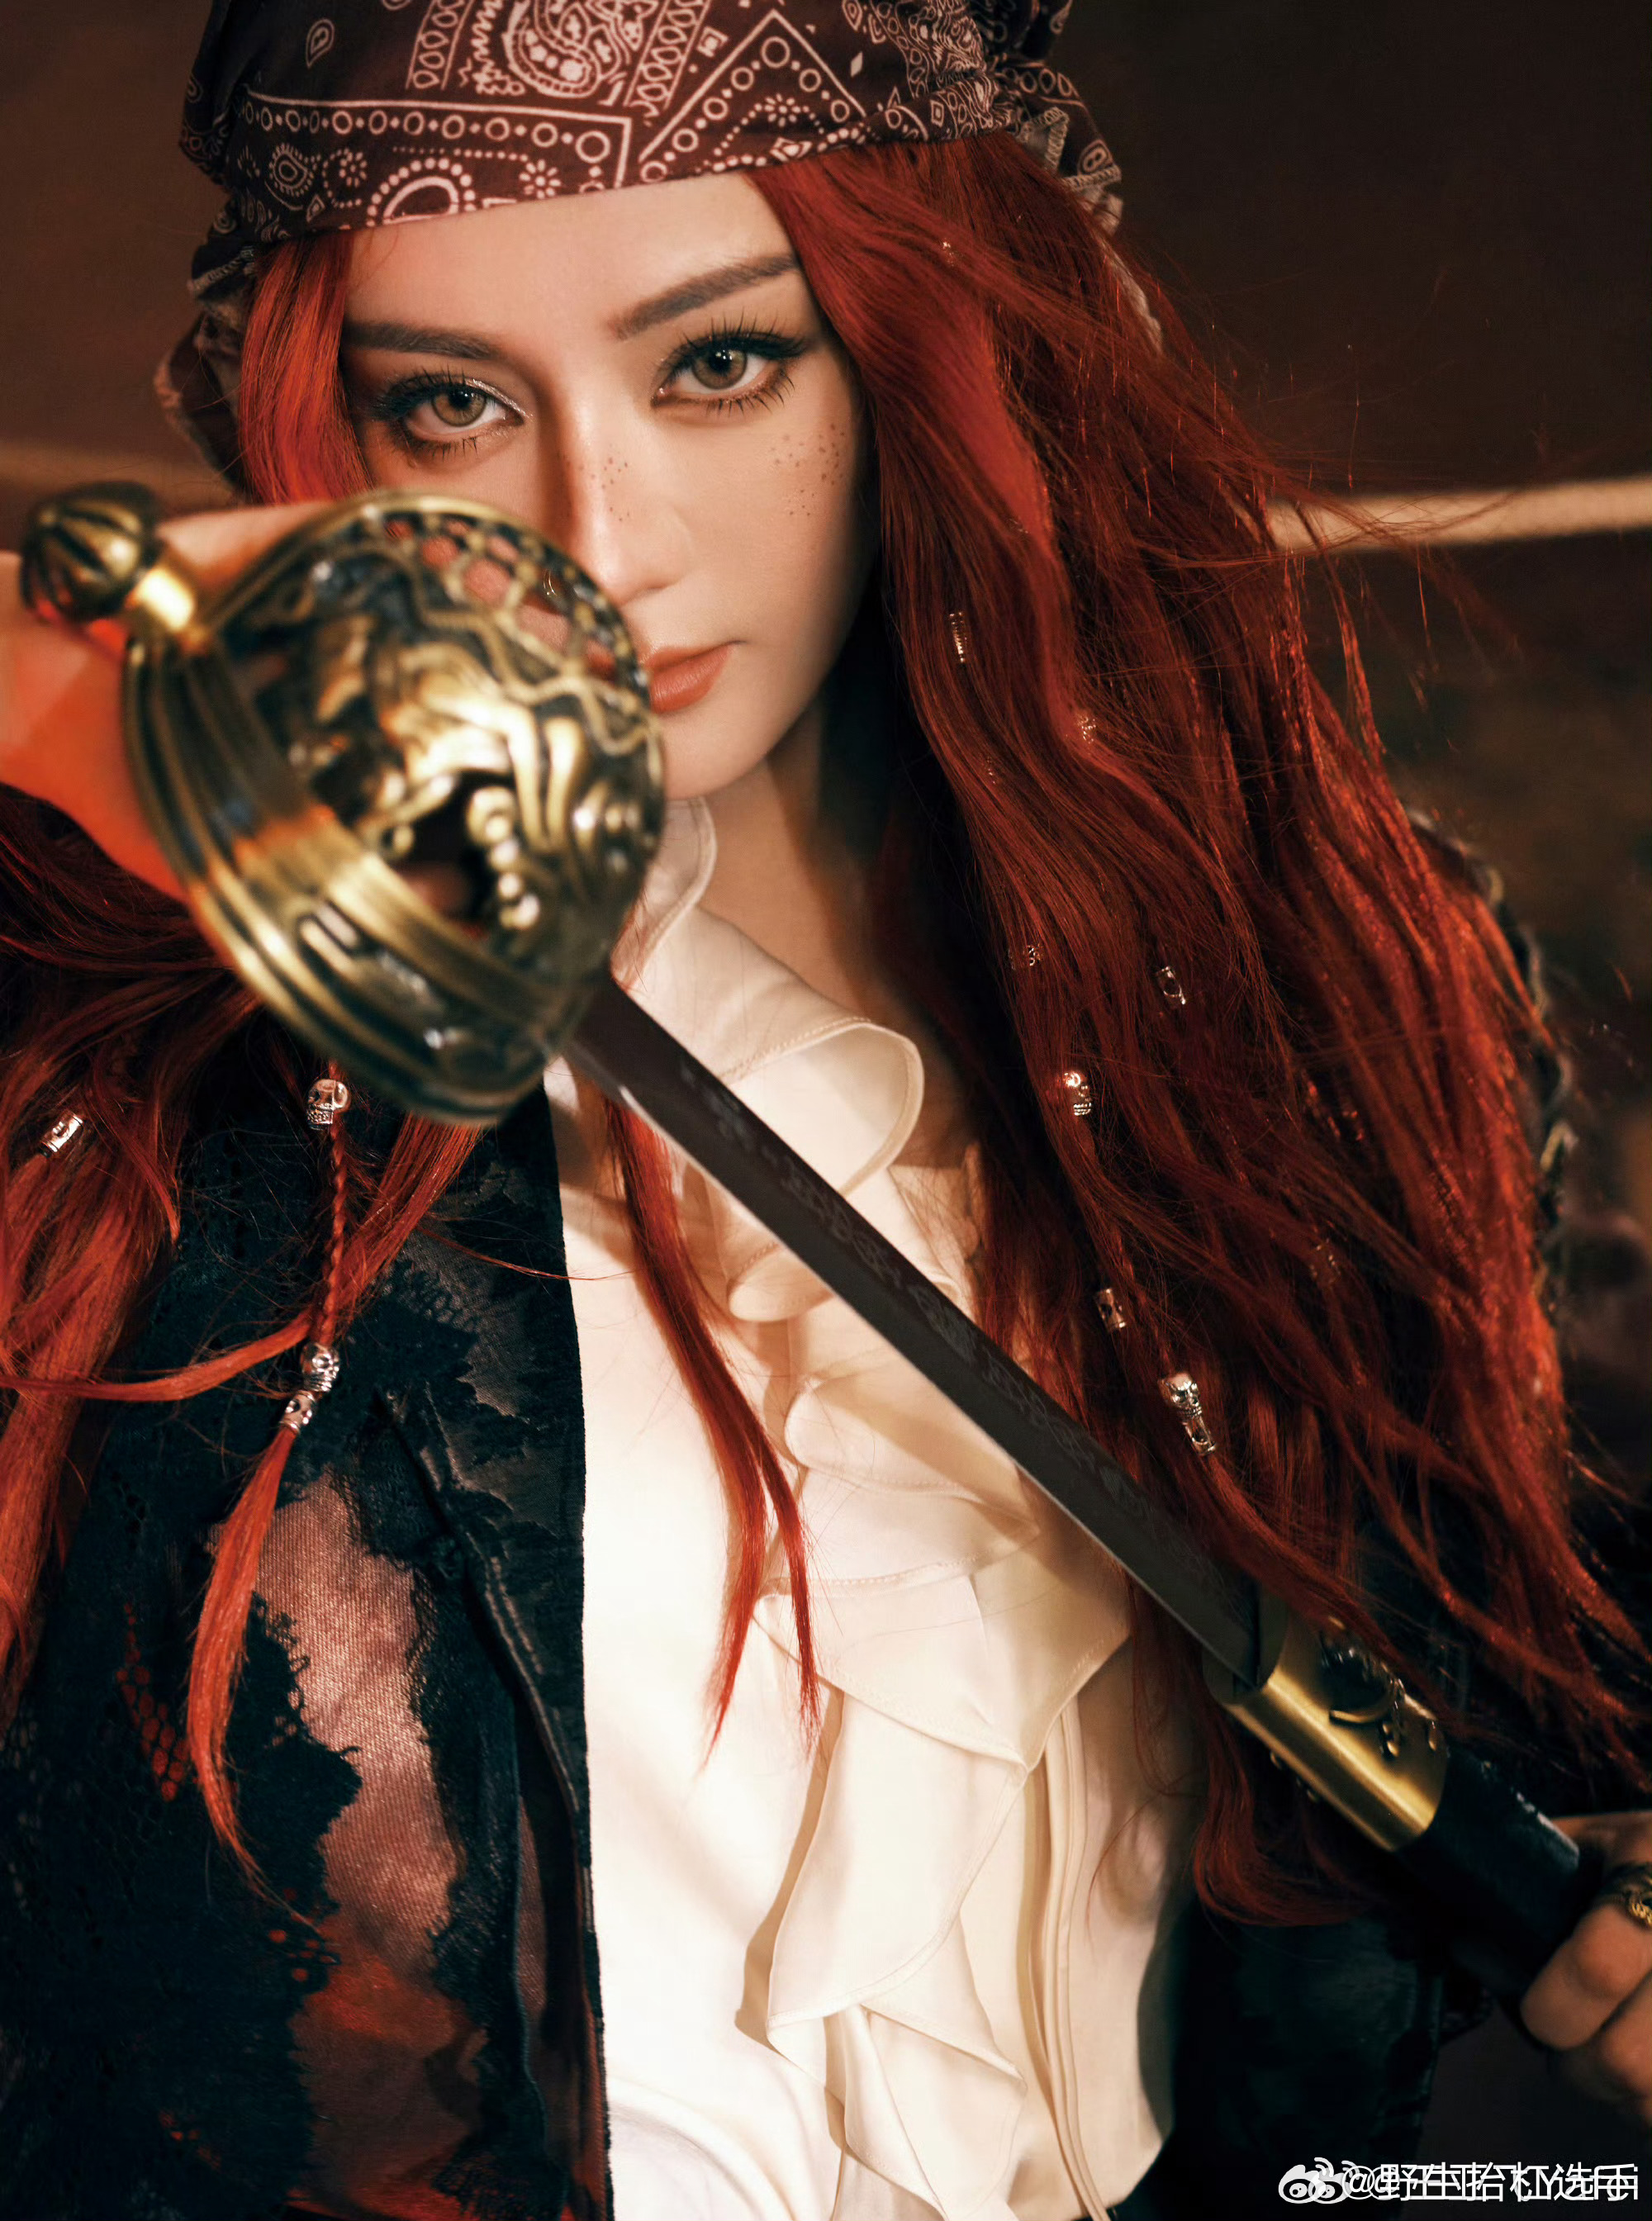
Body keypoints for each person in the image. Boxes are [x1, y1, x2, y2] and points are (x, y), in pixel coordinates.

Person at [0, 3, 1646, 2216]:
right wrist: (44, 695)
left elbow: (1526, 1669)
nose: (604, 541)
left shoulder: (1337, 996)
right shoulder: (128, 1029)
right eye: (453, 402)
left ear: (930, 351)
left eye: (718, 363)